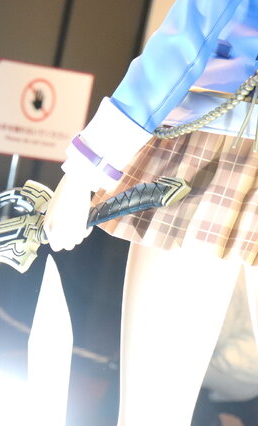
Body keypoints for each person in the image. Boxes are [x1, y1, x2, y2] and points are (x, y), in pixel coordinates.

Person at [43, 0, 258, 424]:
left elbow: (189, 35)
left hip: (222, 145)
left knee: (153, 413)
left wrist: (86, 169)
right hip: (224, 135)